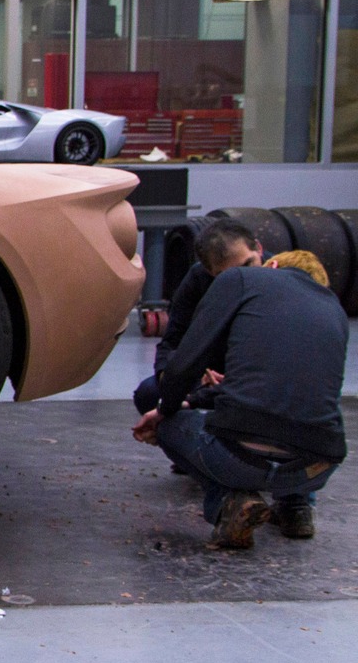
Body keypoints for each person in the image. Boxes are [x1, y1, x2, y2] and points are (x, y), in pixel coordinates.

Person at [133, 250, 346, 549]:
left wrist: (166, 409)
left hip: (240, 458)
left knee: (169, 427)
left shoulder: (243, 279)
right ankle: (296, 507)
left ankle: (229, 503)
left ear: (272, 265)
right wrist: (195, 400)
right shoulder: (334, 307)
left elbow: (182, 366)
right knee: (300, 410)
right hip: (317, 467)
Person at [131, 217, 263, 417]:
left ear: (259, 248)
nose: (243, 278)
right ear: (209, 272)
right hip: (214, 374)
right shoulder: (198, 280)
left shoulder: (287, 271)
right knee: (149, 394)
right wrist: (188, 374)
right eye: (228, 276)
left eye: (247, 265)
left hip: (263, 376)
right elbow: (172, 342)